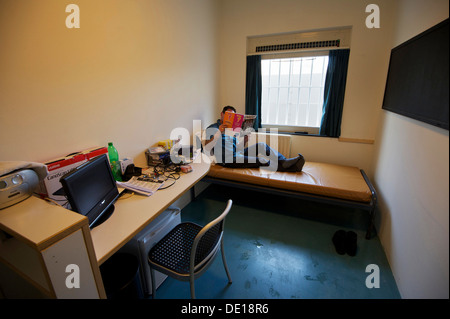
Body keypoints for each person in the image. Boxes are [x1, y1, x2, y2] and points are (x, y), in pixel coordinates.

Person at [204, 106, 305, 172]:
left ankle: (284, 161)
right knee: (261, 160)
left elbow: (238, 148)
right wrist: (218, 132)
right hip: (227, 159)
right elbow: (207, 147)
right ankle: (291, 167)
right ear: (222, 114)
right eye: (228, 115)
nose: (230, 118)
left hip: (237, 154)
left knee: (261, 145)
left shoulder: (233, 130)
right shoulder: (213, 127)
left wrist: (245, 140)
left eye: (233, 116)